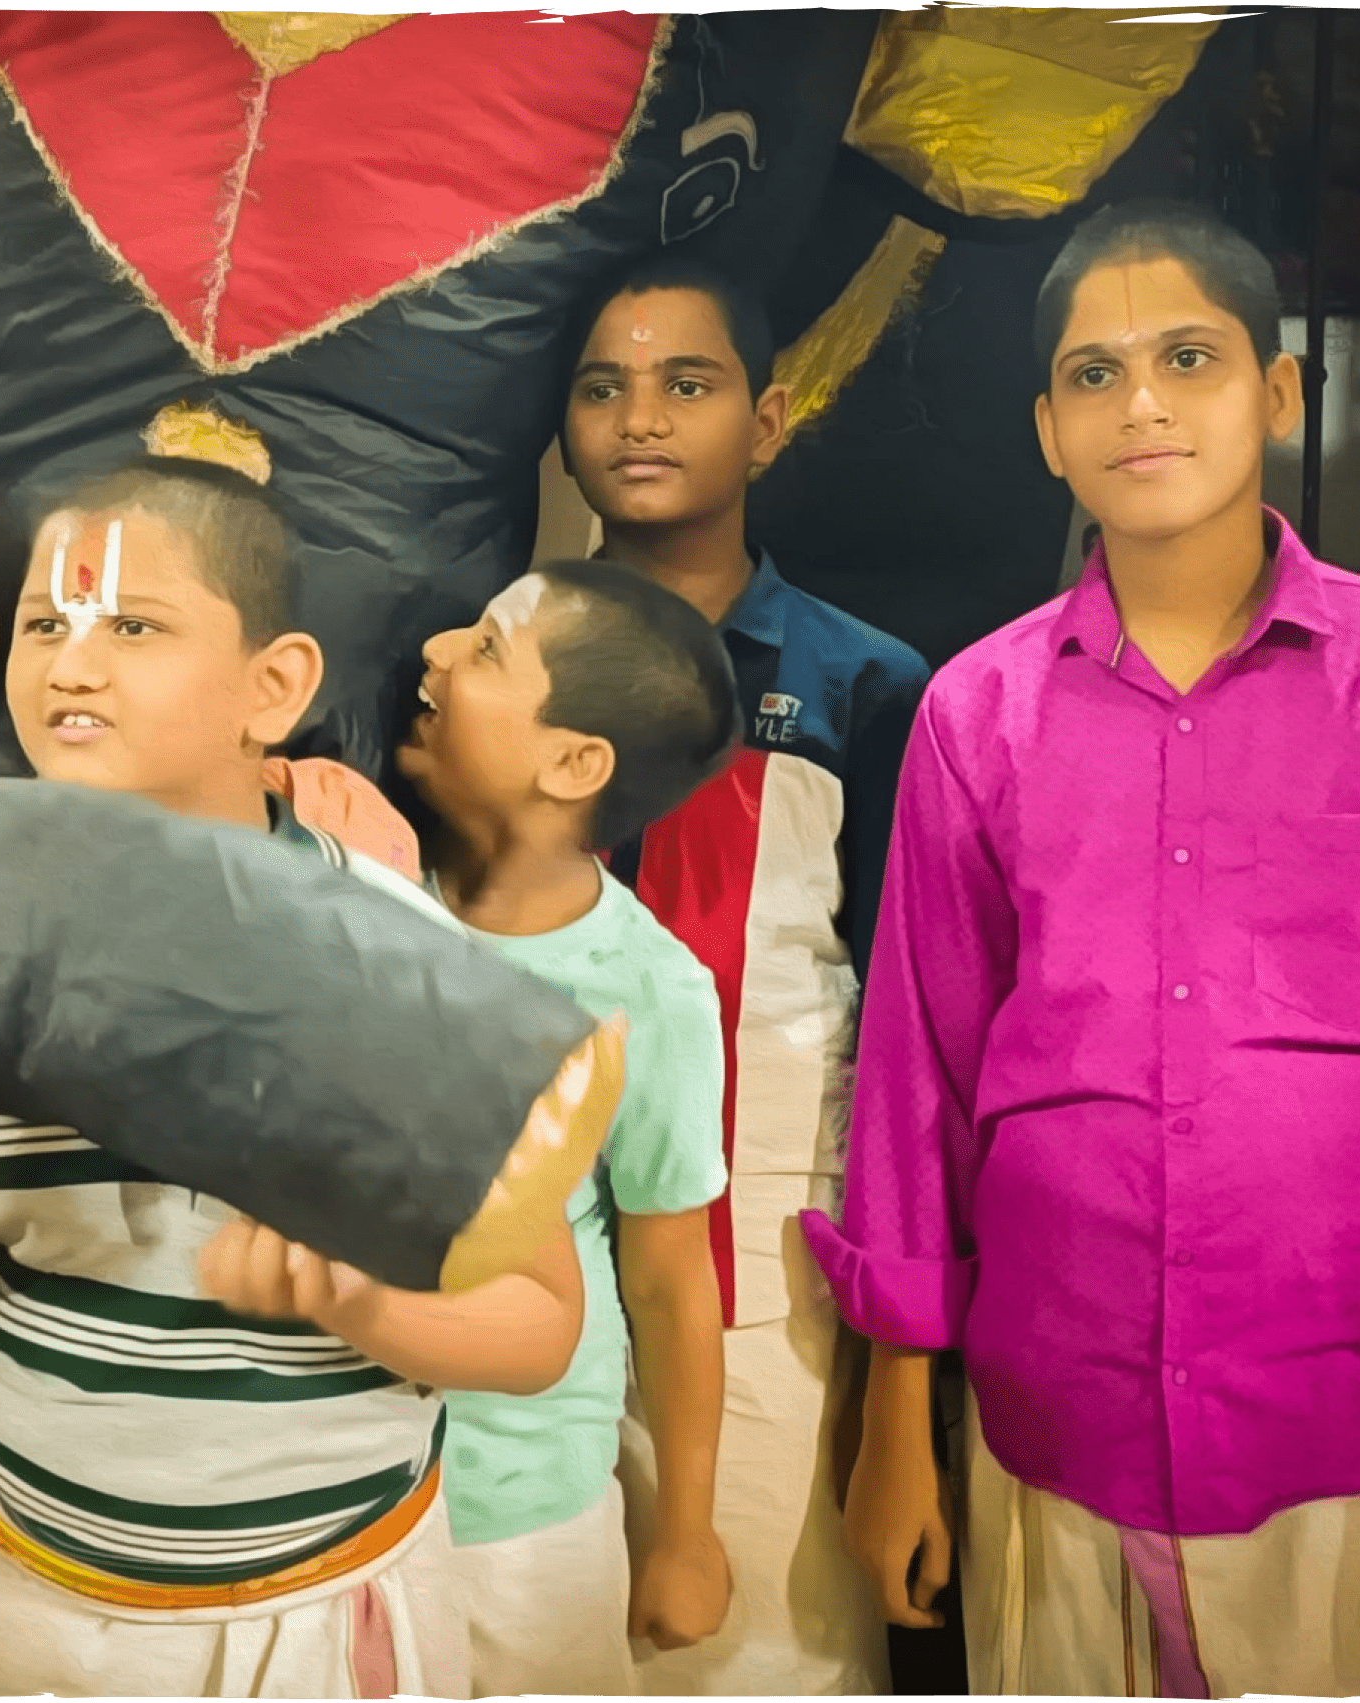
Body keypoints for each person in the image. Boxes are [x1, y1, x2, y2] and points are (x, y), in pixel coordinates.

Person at [0, 456, 589, 1699]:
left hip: (327, 1619)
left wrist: (362, 1299)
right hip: (31, 1621)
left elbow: (541, 1321)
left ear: (272, 686)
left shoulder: (391, 957)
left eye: (131, 624)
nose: (72, 665)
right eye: (44, 624)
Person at [810, 200, 1360, 1696]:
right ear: (1046, 433)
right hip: (1054, 1422)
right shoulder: (976, 712)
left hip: (1352, 1430)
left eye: (1187, 358)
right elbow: (917, 1080)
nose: (1139, 402)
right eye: (1093, 373)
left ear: (1278, 392)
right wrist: (893, 1429)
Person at [558, 252, 930, 1694]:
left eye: (686, 383)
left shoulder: (862, 684)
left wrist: (895, 1356)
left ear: (766, 422)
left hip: (764, 1266)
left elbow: (905, 1021)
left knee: (764, 1646)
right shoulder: (488, 661)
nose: (640, 417)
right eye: (602, 387)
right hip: (531, 1260)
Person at [396, 560, 738, 1696]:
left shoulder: (649, 989)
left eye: (487, 646)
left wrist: (684, 1530)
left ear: (573, 763)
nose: (436, 649)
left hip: (522, 1517)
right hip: (336, 1497)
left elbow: (670, 1276)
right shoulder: (355, 890)